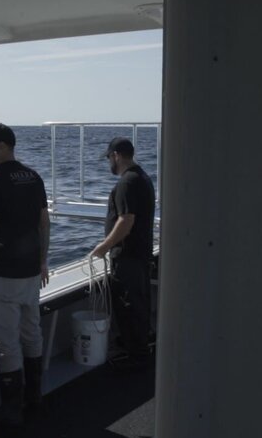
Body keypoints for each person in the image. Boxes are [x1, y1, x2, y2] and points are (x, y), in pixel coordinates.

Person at [0, 123, 50, 427]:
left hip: (1, 274)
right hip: (31, 272)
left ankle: (11, 410)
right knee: (32, 334)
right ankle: (35, 400)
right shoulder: (33, 177)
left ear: (2, 146)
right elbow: (44, 224)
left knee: (7, 343)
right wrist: (43, 262)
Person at [91, 137, 156, 371]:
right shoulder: (143, 178)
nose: (109, 162)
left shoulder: (126, 183)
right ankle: (140, 345)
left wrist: (103, 247)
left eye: (109, 157)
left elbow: (126, 220)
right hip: (140, 253)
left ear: (117, 155)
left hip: (128, 256)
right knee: (139, 302)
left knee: (129, 306)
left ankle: (136, 356)